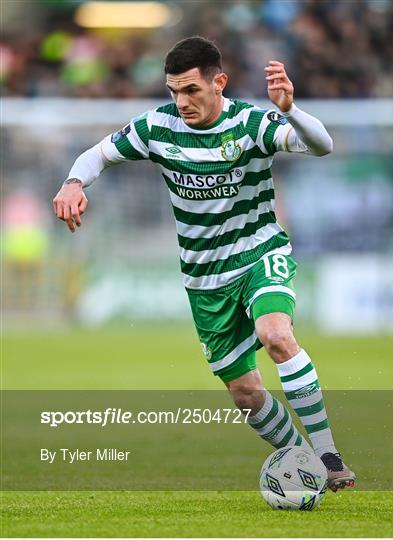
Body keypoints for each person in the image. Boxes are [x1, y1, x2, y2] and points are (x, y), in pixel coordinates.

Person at [53, 36, 355, 491]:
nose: (181, 101)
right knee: (246, 394)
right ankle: (302, 463)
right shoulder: (157, 127)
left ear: (219, 82)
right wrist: (74, 182)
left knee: (275, 334)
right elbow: (97, 154)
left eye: (191, 90)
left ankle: (329, 456)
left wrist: (291, 109)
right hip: (204, 278)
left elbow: (322, 145)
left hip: (259, 253)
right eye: (173, 91)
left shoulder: (252, 122)